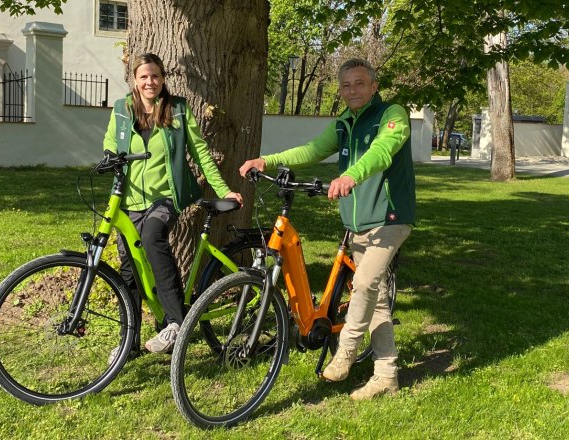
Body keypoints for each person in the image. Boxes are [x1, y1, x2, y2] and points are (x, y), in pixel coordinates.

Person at [239, 58, 415, 400]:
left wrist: (351, 175)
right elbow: (312, 150)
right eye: (346, 85)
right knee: (375, 300)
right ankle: (386, 376)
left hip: (390, 218)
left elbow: (382, 151)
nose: (353, 90)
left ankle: (346, 349)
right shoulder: (343, 123)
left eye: (360, 83)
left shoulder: (393, 114)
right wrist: (267, 160)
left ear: (374, 86)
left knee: (363, 284)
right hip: (358, 221)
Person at [103, 53, 243, 354]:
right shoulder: (122, 109)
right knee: (129, 268)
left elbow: (201, 152)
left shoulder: (177, 109)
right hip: (129, 200)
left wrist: (224, 189)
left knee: (153, 238)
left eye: (155, 76)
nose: (149, 81)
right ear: (134, 80)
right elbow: (110, 143)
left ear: (163, 78)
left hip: (165, 198)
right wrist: (108, 158)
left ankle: (175, 323)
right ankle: (129, 342)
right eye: (144, 76)